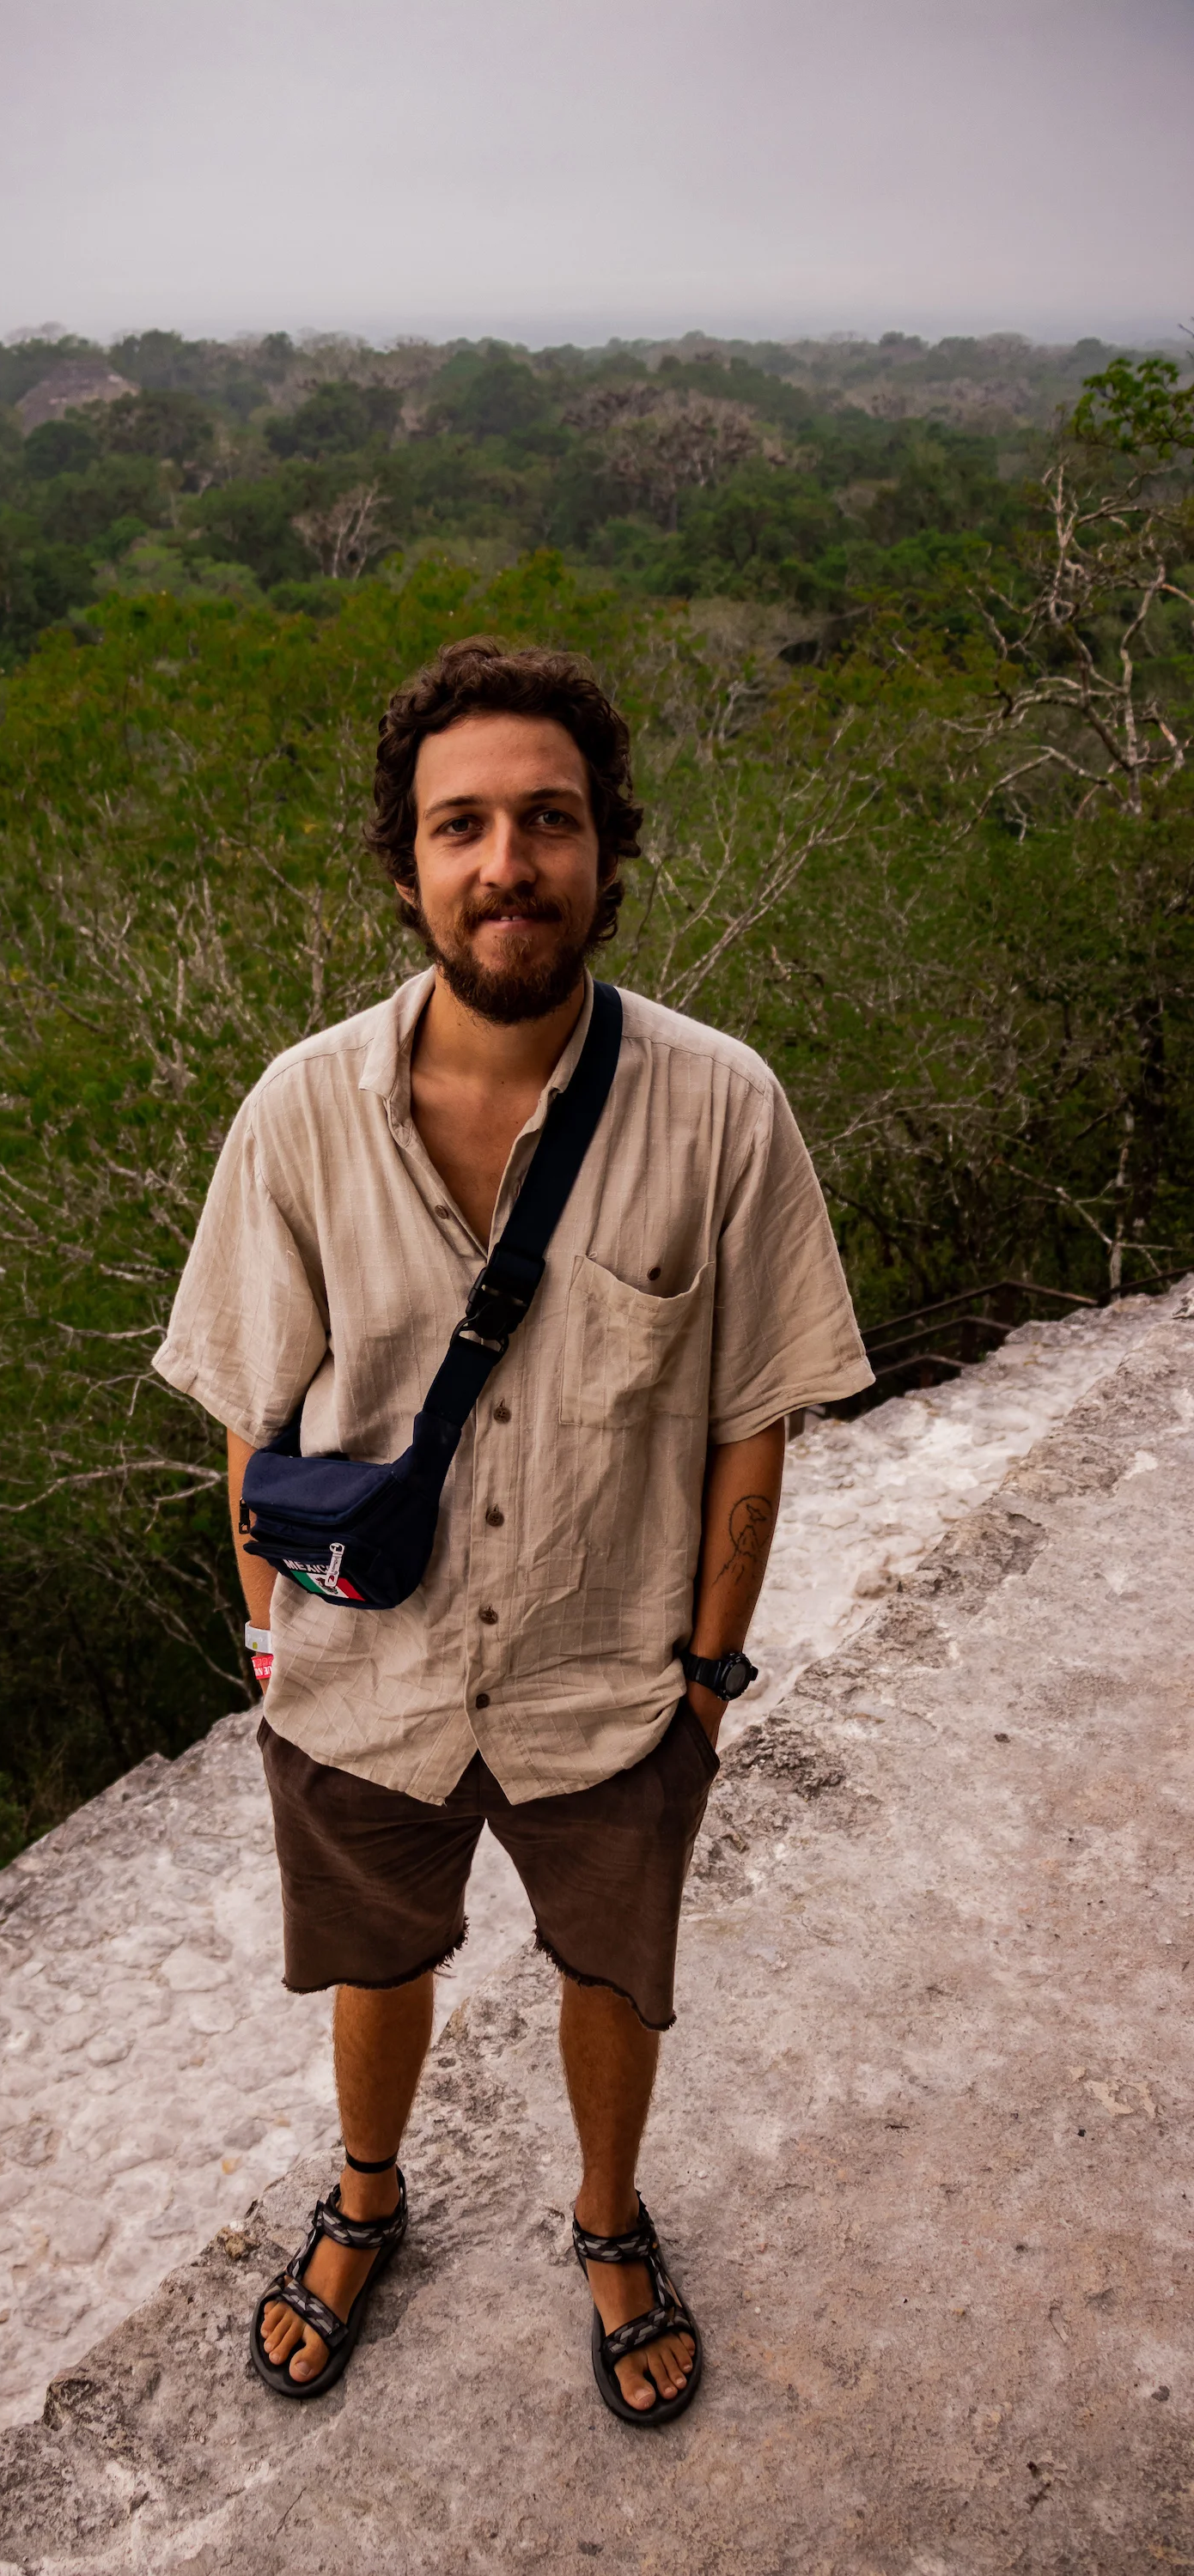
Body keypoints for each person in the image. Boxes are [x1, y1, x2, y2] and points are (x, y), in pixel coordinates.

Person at [154, 638, 872, 2423]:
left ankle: (609, 2221)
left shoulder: (722, 1110)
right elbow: (251, 1416)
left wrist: (703, 1683)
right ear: (405, 867)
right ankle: (367, 2194)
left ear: (606, 852)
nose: (505, 863)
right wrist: (272, 1652)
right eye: (458, 825)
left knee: (614, 1974)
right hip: (360, 1687)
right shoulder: (300, 1111)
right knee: (377, 1961)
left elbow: (748, 1429)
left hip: (608, 1685)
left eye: (545, 820)